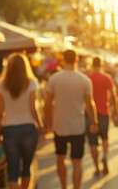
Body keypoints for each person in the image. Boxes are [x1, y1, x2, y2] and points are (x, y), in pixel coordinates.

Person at [43, 49, 98, 189]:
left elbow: (48, 103)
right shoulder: (84, 80)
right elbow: (90, 103)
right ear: (77, 60)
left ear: (62, 60)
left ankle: (63, 187)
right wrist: (94, 122)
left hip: (59, 125)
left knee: (60, 158)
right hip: (77, 126)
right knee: (77, 161)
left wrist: (45, 123)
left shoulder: (54, 79)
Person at [0, 53, 44, 189]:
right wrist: (41, 125)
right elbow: (33, 108)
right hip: (29, 128)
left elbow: (0, 112)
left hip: (9, 130)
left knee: (13, 171)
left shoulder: (1, 85)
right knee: (26, 168)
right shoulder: (31, 83)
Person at [86, 56, 118, 176]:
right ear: (101, 64)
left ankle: (97, 168)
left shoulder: (88, 78)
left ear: (92, 64)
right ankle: (104, 156)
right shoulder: (106, 77)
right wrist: (115, 110)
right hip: (104, 111)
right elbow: (114, 95)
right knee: (105, 137)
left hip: (89, 113)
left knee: (93, 142)